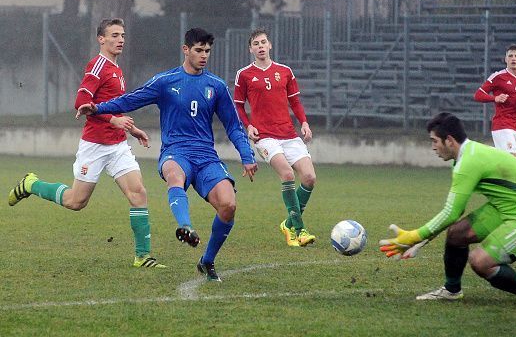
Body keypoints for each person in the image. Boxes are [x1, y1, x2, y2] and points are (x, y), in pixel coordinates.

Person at [77, 27, 258, 281]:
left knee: (228, 205)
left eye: (207, 51)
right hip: (175, 152)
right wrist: (97, 108)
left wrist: (247, 155)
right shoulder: (165, 81)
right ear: (186, 50)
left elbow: (233, 126)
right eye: (198, 50)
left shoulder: (216, 86)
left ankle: (207, 261)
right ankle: (185, 225)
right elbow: (130, 100)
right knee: (175, 175)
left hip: (206, 157)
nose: (204, 55)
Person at [8, 18, 165, 268]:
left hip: (117, 146)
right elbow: (82, 100)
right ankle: (32, 184)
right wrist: (112, 119)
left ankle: (142, 256)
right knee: (75, 202)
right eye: (114, 35)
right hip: (95, 145)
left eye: (122, 35)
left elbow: (115, 106)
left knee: (138, 193)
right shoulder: (98, 65)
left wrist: (132, 129)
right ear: (101, 39)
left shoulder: (117, 68)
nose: (120, 39)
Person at [380, 112, 516, 302]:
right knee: (457, 234)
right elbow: (454, 212)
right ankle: (452, 290)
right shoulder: (466, 155)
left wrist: (414, 237)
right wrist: (424, 240)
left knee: (480, 262)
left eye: (434, 141)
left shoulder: (468, 162)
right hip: (506, 207)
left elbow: (451, 212)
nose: (433, 147)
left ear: (449, 140)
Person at [234, 28, 316, 247]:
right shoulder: (244, 75)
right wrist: (248, 125)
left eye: (263, 42)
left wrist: (304, 122)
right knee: (287, 174)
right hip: (265, 137)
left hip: (289, 134)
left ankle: (288, 223)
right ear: (250, 49)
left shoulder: (285, 71)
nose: (260, 46)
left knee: (309, 177)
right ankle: (299, 230)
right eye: (256, 44)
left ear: (270, 45)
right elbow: (239, 106)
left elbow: (295, 101)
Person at [474, 44, 516, 158]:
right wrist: (494, 98)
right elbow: (478, 95)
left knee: (504, 163)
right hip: (502, 125)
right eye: (510, 56)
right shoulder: (498, 76)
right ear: (506, 59)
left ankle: (481, 155)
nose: (513, 58)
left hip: (515, 126)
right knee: (514, 158)